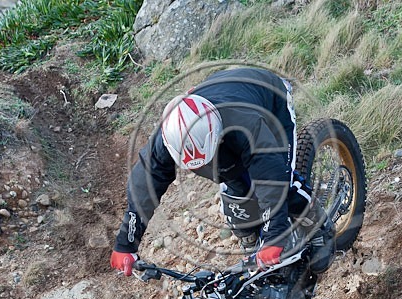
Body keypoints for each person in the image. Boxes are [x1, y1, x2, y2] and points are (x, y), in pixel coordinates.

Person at [110, 67, 334, 276]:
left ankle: (319, 227)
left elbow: (272, 180)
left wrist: (274, 236)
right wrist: (126, 244)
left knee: (284, 182)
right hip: (223, 125)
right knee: (237, 193)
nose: (200, 169)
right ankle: (252, 240)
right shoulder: (169, 135)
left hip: (270, 105)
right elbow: (145, 185)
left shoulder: (245, 122)